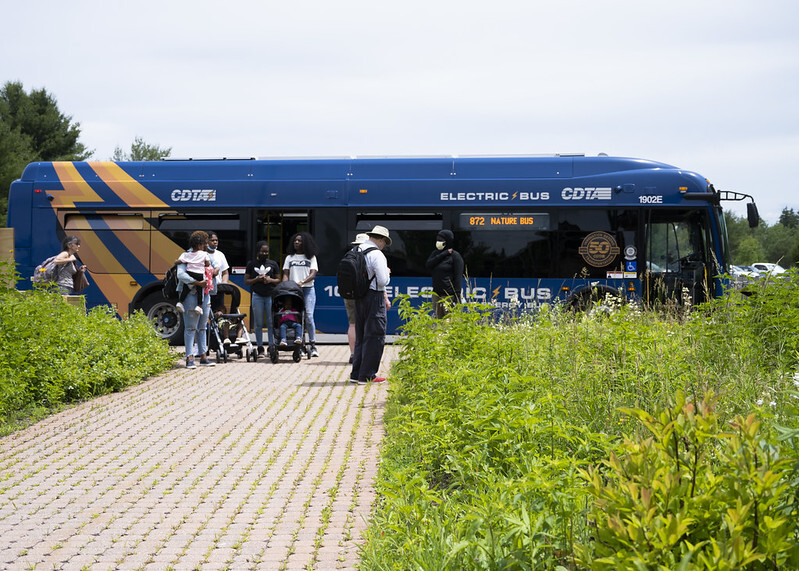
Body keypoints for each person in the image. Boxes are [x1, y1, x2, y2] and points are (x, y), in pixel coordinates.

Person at [350, 225, 392, 385]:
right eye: (384, 243)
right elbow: (382, 281)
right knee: (375, 336)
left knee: (361, 336)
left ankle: (356, 373)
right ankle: (367, 375)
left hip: (358, 296)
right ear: (381, 239)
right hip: (374, 297)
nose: (384, 246)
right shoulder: (376, 254)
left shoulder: (357, 250)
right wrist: (387, 273)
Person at [177, 231, 215, 369]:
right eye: (205, 242)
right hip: (190, 295)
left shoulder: (205, 255)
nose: (207, 245)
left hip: (205, 295)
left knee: (202, 327)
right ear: (198, 243)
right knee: (190, 327)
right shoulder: (185, 256)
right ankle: (189, 358)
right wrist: (197, 283)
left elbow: (210, 270)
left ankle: (203, 356)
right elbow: (181, 274)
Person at [283, 232, 320, 357]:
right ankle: (301, 345)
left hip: (308, 289)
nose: (296, 243)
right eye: (295, 241)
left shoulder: (311, 257)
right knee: (297, 317)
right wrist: (284, 286)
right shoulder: (289, 258)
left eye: (299, 241)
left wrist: (302, 282)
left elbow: (313, 274)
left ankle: (313, 345)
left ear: (305, 243)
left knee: (309, 316)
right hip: (293, 291)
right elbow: (286, 274)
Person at [245, 241, 281, 356]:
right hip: (257, 296)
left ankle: (271, 346)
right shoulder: (251, 264)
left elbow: (278, 280)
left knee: (271, 322)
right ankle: (260, 347)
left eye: (266, 252)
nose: (264, 253)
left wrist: (269, 280)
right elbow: (246, 281)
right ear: (257, 252)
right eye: (262, 251)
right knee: (258, 323)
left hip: (270, 295)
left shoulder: (273, 264)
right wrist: (257, 279)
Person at [425, 229, 464, 318]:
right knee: (439, 320)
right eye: (437, 239)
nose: (438, 242)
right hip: (436, 294)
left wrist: (457, 297)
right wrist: (444, 254)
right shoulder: (436, 254)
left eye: (441, 240)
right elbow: (428, 265)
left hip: (448, 296)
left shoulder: (455, 256)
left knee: (449, 321)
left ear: (448, 241)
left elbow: (458, 277)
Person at [344, 233, 369, 363]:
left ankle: (353, 354)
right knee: (365, 324)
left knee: (352, 324)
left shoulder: (349, 254)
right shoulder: (368, 255)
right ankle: (363, 354)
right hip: (363, 294)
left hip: (348, 293)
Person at [175, 236, 212, 314]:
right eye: (204, 244)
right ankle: (199, 306)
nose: (206, 246)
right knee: (200, 290)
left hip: (190, 273)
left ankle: (180, 302)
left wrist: (176, 262)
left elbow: (179, 261)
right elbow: (208, 264)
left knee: (186, 288)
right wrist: (204, 264)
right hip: (199, 274)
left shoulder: (187, 254)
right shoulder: (204, 254)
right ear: (199, 245)